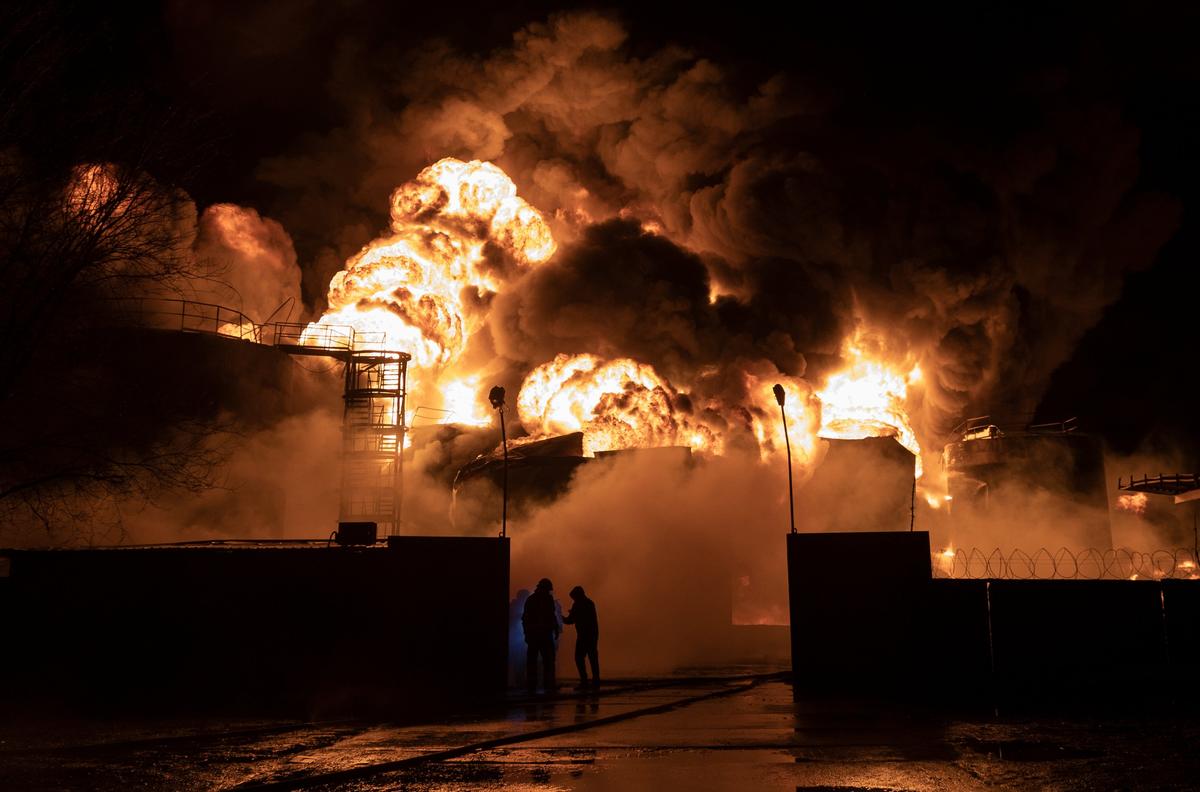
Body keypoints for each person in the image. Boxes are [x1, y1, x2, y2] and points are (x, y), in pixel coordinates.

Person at [522, 577, 560, 694]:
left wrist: (556, 628)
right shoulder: (540, 600)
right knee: (544, 661)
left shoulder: (534, 599)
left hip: (539, 635)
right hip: (540, 635)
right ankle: (543, 685)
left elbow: (551, 616)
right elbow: (526, 618)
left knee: (538, 661)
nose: (549, 592)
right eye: (548, 589)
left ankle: (537, 686)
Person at [563, 585, 599, 689]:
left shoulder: (579, 604)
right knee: (592, 658)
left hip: (584, 636)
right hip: (592, 635)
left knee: (579, 658)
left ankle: (584, 681)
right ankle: (595, 681)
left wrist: (561, 617)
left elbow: (570, 620)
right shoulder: (589, 603)